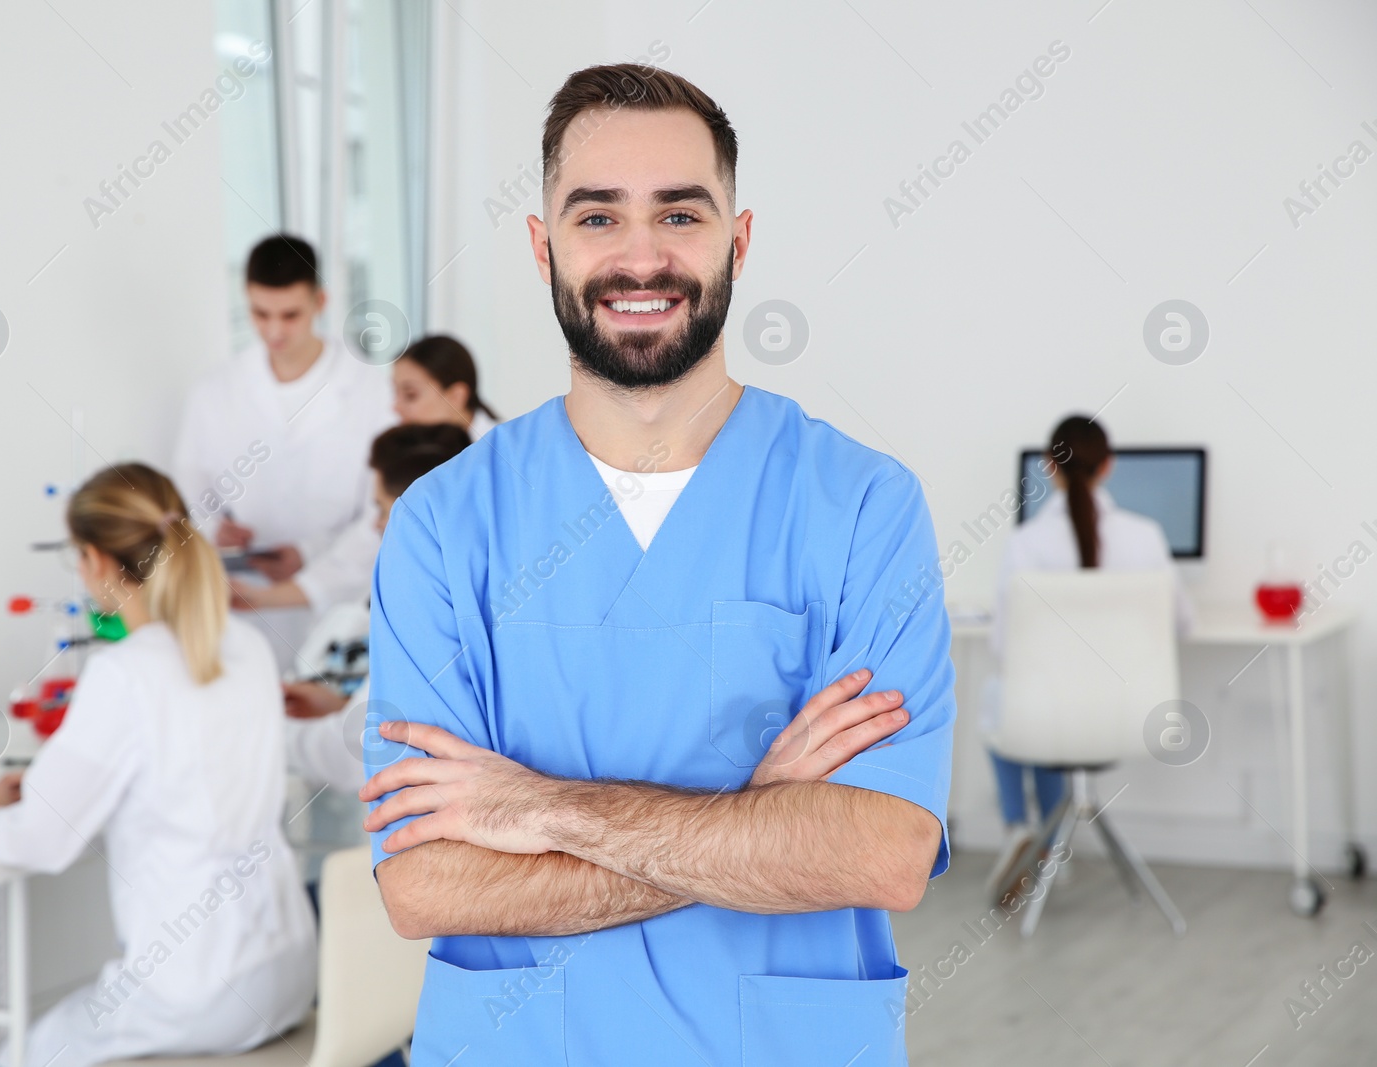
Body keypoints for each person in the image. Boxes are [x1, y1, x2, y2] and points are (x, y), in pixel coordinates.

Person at [356, 64, 953, 1066]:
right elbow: (423, 885)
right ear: (543, 246)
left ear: (739, 239)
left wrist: (534, 807)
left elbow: (883, 851)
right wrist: (758, 816)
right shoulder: (442, 525)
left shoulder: (859, 505)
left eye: (680, 214)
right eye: (597, 218)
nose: (641, 257)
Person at [0, 465, 315, 1067]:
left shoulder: (124, 672)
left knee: (13, 1056)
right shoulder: (246, 646)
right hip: (287, 970)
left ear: (95, 562)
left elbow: (42, 843)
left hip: (195, 990)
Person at [983, 416, 1195, 903]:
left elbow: (1002, 648)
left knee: (1006, 697)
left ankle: (1022, 827)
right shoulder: (1147, 537)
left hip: (1046, 719)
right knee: (1044, 706)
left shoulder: (1025, 544)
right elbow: (1183, 624)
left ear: (1046, 468)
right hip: (1133, 717)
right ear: (1109, 467)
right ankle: (1052, 845)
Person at [172, 233, 394, 642]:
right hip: (240, 604)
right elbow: (191, 480)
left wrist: (308, 557)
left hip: (337, 605)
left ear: (319, 302)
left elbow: (381, 516)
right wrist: (212, 524)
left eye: (290, 315)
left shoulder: (371, 392)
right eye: (260, 313)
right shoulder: (214, 390)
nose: (274, 330)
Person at [281, 422, 474, 793]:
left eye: (384, 509)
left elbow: (359, 753)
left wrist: (267, 731)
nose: (377, 524)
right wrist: (337, 703)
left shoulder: (423, 618)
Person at [390, 335, 499, 440]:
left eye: (410, 395)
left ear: (456, 396)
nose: (396, 407)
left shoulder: (503, 449)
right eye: (396, 392)